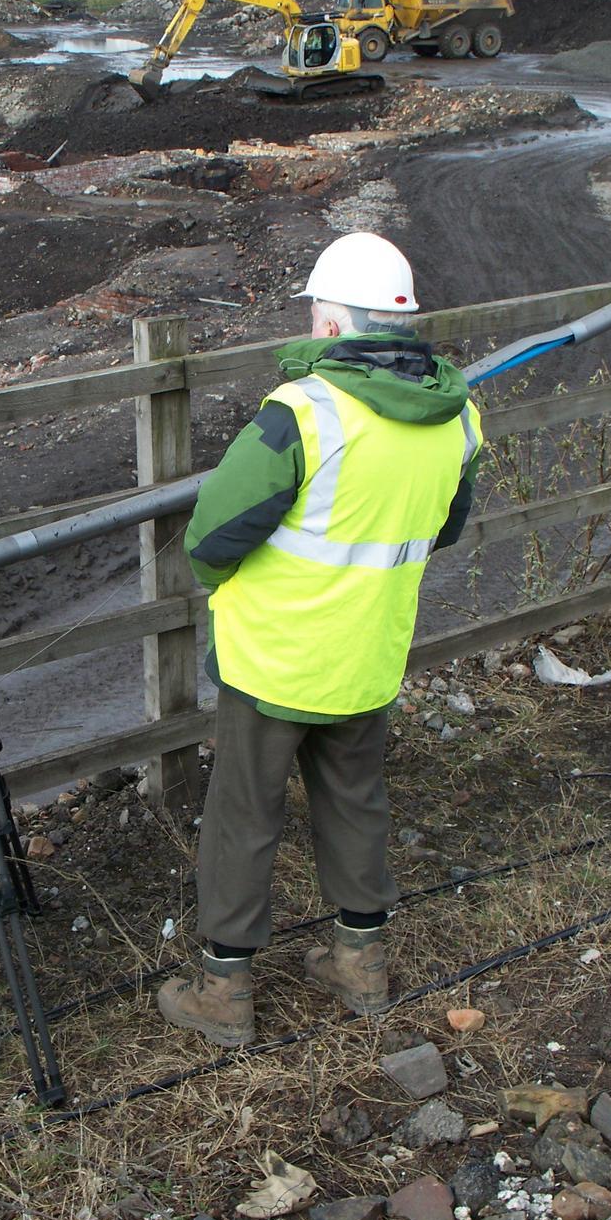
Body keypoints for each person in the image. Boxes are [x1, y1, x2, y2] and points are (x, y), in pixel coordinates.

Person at [157, 231, 482, 1047]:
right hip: (369, 654)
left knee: (244, 814)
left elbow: (214, 532)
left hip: (275, 658)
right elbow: (445, 527)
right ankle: (360, 964)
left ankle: (225, 992)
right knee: (355, 801)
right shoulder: (460, 416)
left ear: (334, 327)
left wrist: (226, 581)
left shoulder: (302, 412)